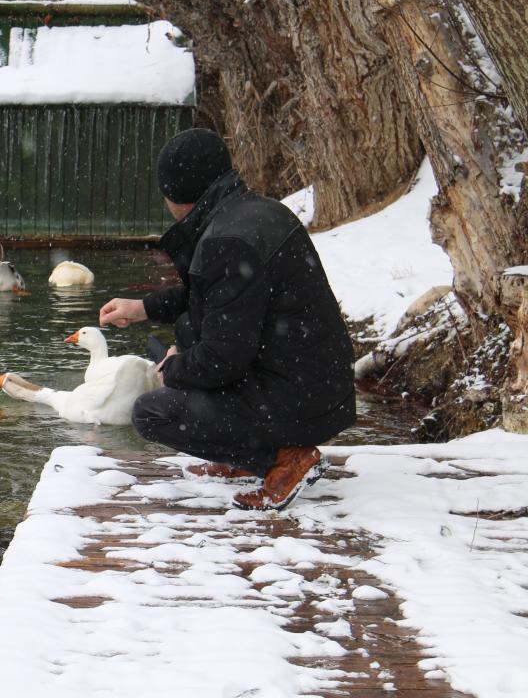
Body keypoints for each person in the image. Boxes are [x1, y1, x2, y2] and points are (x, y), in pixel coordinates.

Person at [98, 128, 355, 511]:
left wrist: (173, 369)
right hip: (319, 383)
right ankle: (246, 455)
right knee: (189, 344)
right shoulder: (259, 212)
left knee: (152, 412)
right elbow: (212, 298)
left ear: (175, 193)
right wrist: (143, 308)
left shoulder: (225, 241)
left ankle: (284, 458)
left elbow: (223, 358)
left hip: (298, 396)